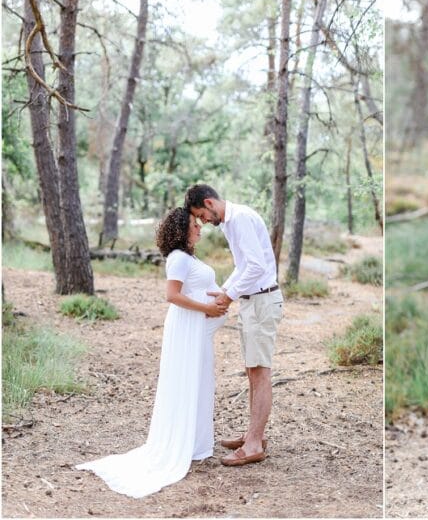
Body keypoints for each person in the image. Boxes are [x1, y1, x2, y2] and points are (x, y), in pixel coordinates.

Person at [76, 207, 228, 498]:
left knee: (201, 383)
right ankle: (179, 442)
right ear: (182, 230)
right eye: (195, 225)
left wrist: (220, 299)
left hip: (197, 330)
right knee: (185, 381)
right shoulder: (178, 258)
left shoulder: (190, 257)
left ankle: (196, 442)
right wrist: (208, 308)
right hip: (186, 328)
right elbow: (172, 295)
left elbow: (199, 288)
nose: (200, 229)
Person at [184, 184, 283, 467]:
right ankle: (254, 434)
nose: (203, 221)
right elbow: (244, 266)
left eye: (202, 215)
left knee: (260, 371)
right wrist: (224, 290)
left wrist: (228, 296)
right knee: (252, 370)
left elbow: (256, 268)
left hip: (263, 302)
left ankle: (254, 443)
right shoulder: (231, 222)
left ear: (208, 202)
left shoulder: (238, 219)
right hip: (252, 302)